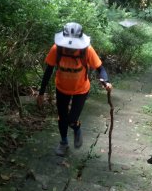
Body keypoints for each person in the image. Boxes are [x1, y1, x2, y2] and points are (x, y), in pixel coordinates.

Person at [37, 22, 112, 155]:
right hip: (61, 88)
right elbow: (48, 70)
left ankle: (76, 128)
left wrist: (105, 81)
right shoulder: (57, 49)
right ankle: (64, 143)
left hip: (81, 90)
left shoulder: (87, 50)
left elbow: (101, 69)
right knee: (62, 117)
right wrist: (41, 93)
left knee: (72, 119)